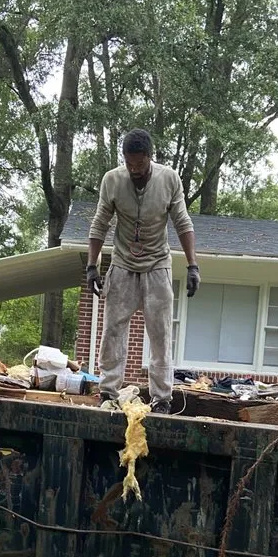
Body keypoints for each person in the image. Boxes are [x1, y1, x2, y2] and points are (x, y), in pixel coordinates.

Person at [86, 128, 200, 415]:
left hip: (157, 263)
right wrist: (91, 265)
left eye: (140, 164)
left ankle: (162, 398)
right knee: (112, 328)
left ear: (150, 157)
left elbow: (183, 223)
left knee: (160, 333)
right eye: (129, 164)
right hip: (123, 263)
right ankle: (108, 391)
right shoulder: (112, 180)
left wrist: (192, 265)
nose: (135, 169)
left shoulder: (169, 179)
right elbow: (100, 223)